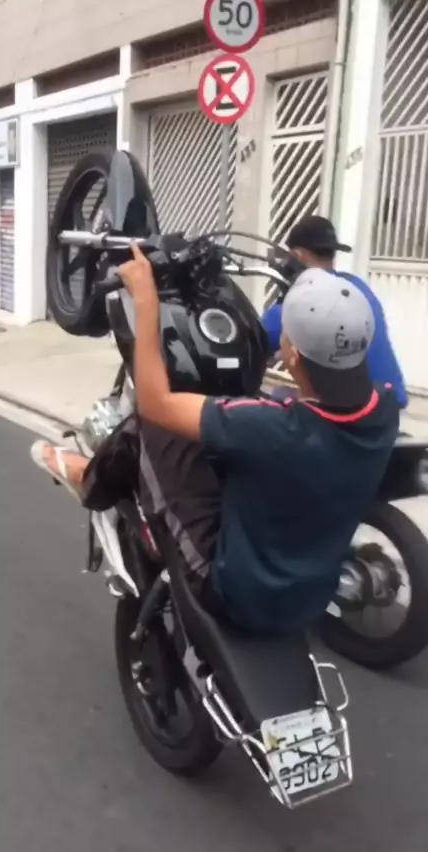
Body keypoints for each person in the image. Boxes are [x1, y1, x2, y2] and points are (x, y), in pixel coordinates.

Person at [32, 250, 399, 636]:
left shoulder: (271, 427)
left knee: (154, 428)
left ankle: (92, 483)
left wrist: (145, 302)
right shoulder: (384, 408)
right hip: (312, 593)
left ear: (291, 354)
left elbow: (157, 404)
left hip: (236, 593)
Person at [262, 215, 408, 409]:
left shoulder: (301, 302)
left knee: (279, 396)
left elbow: (257, 341)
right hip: (390, 400)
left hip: (357, 410)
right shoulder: (356, 286)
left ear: (296, 256)